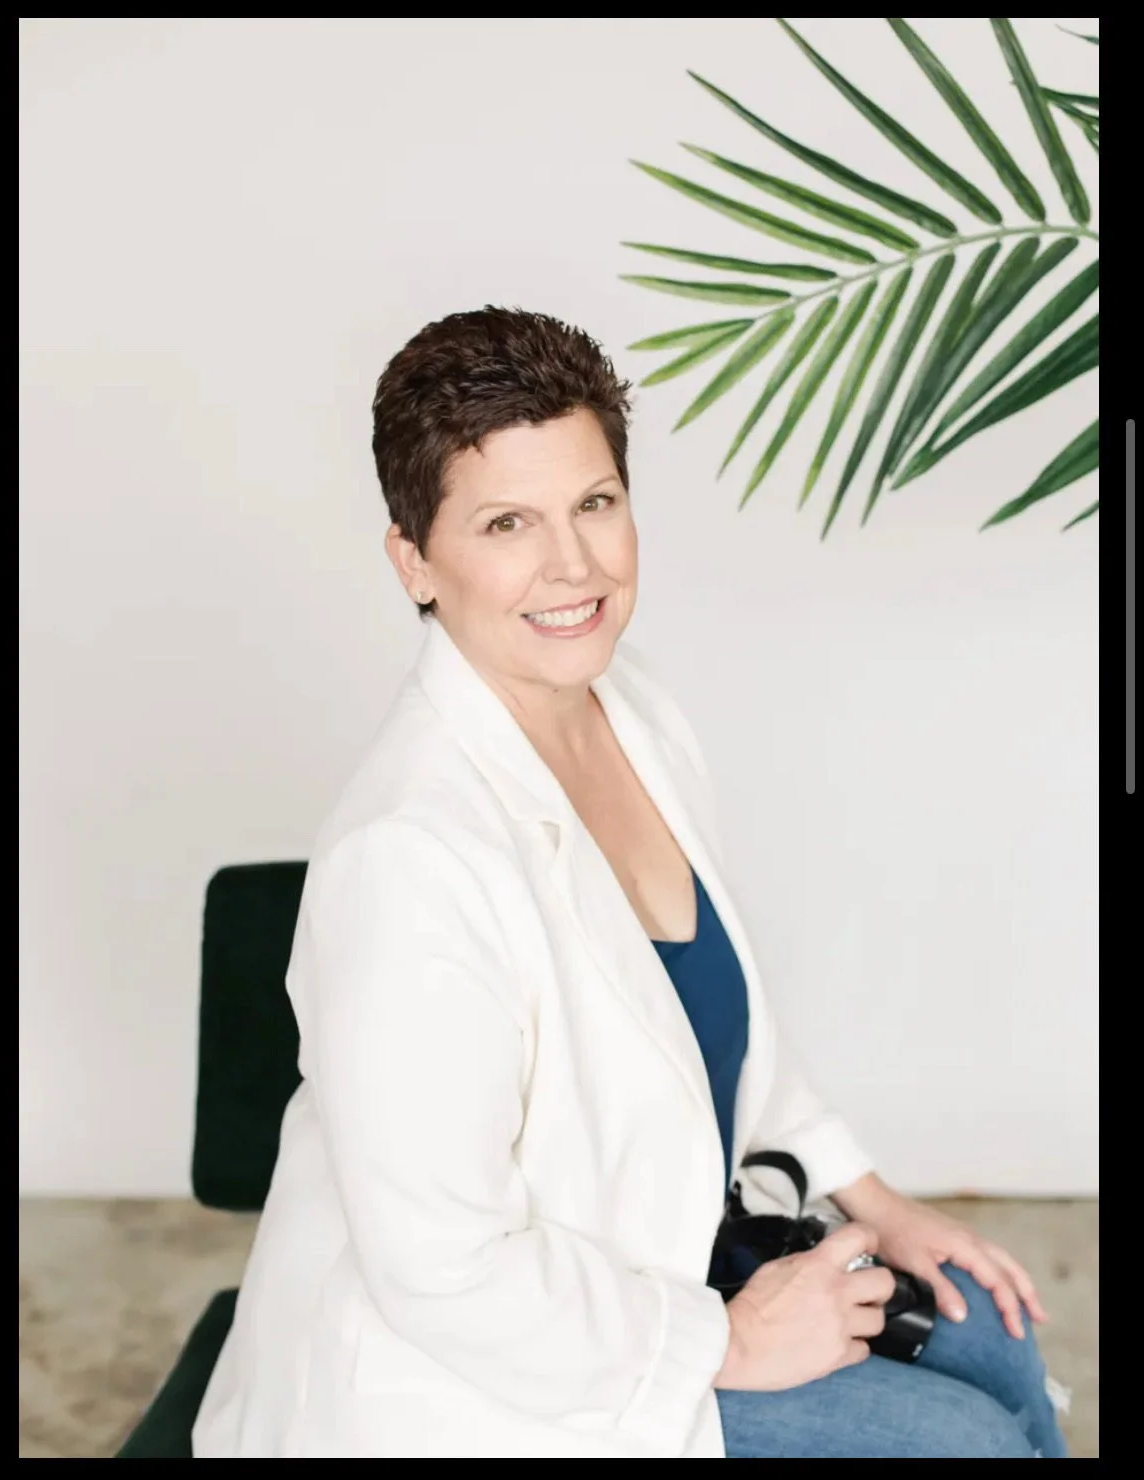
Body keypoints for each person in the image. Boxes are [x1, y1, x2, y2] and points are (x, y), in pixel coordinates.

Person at [192, 307, 1068, 1460]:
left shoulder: (632, 708)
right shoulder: (406, 859)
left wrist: (878, 1200)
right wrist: (727, 1343)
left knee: (995, 1337)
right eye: (507, 522)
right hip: (476, 1380)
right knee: (964, 1443)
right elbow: (447, 1274)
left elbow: (721, 1034)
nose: (575, 565)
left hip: (645, 1248)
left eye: (595, 503)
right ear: (413, 557)